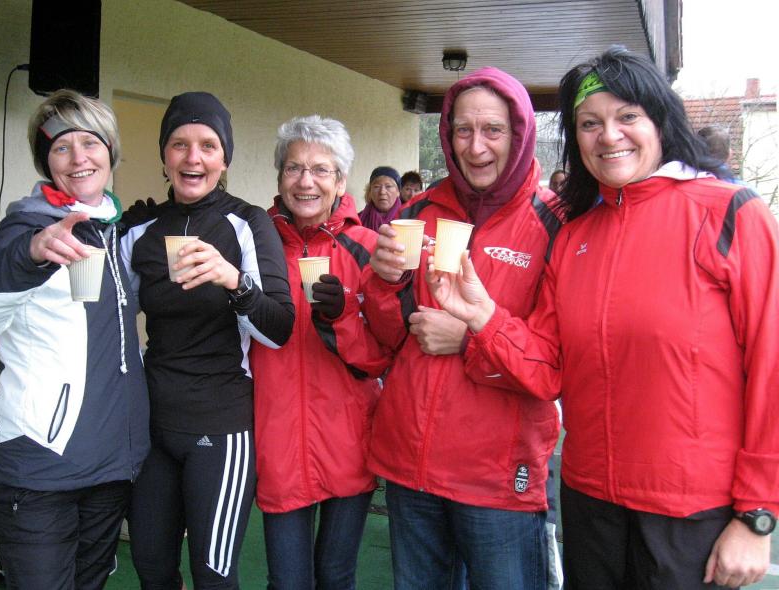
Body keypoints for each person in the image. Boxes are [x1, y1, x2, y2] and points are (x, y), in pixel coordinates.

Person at [426, 46, 778, 590]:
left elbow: (772, 368)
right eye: (589, 123)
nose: (609, 136)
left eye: (627, 116)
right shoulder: (575, 236)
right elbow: (548, 369)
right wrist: (485, 316)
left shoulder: (730, 213)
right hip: (590, 502)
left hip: (689, 511)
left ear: (660, 120)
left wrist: (758, 512)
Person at [362, 66, 563, 589]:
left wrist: (470, 340)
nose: (476, 147)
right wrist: (384, 282)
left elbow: (552, 367)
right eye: (463, 131)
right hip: (412, 464)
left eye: (492, 130)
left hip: (497, 475)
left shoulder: (556, 224)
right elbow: (388, 339)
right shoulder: (418, 211)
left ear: (519, 134)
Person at [120, 92, 295, 589]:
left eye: (207, 145)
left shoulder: (247, 222)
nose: (192, 157)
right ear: (164, 155)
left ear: (225, 159)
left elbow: (279, 328)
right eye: (179, 144)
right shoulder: (140, 230)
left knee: (213, 576)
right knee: (151, 567)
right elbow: (112, 316)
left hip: (221, 425)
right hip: (153, 423)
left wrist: (232, 280)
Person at [0, 89, 150, 589]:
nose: (79, 158)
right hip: (41, 466)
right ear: (46, 161)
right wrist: (30, 254)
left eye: (90, 143)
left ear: (110, 151)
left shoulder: (112, 232)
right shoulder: (26, 227)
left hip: (111, 465)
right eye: (61, 147)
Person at [250, 115, 391, 589]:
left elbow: (381, 358)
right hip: (277, 441)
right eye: (293, 168)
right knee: (288, 582)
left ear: (341, 181)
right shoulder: (255, 245)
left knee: (335, 576)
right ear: (279, 178)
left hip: (348, 441)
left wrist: (342, 317)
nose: (305, 181)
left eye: (320, 170)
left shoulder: (367, 247)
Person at [358, 166, 402, 231]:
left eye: (388, 186)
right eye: (377, 187)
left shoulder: (409, 220)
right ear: (370, 191)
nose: (382, 192)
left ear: (398, 191)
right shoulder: (357, 220)